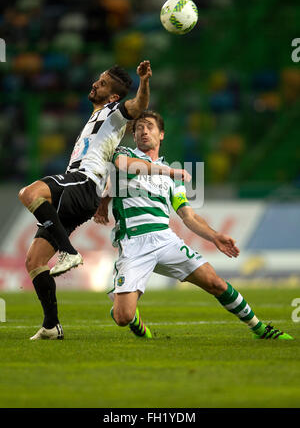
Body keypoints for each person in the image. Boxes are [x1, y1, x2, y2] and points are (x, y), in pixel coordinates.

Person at [94, 110, 293, 341]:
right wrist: (105, 199)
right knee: (122, 317)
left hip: (165, 239)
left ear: (162, 135)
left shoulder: (172, 178)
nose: (143, 131)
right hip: (134, 243)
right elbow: (121, 169)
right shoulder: (125, 154)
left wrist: (215, 236)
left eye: (149, 126)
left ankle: (260, 328)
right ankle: (131, 314)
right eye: (138, 128)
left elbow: (187, 216)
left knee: (215, 282)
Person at [18, 61, 155, 340]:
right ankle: (51, 326)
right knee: (34, 261)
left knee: (28, 193)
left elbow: (137, 106)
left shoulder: (113, 112)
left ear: (114, 96)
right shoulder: (98, 115)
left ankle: (70, 252)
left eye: (103, 83)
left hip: (83, 182)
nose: (95, 84)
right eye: (99, 80)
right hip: (79, 190)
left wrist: (144, 81)